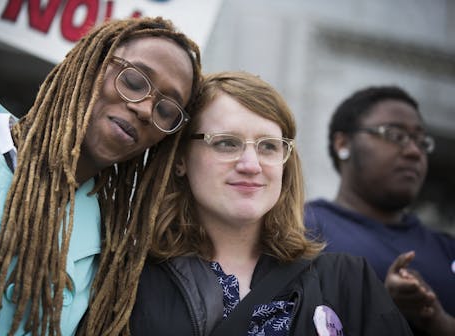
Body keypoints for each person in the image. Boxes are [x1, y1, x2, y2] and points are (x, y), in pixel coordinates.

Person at [0, 17, 202, 335]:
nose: (144, 109)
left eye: (166, 111)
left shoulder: (110, 243)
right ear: (91, 64)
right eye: (135, 82)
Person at [129, 72, 413, 335]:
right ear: (180, 159)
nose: (251, 165)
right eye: (227, 143)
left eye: (268, 146)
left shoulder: (349, 282)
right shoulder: (129, 276)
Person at [304, 86, 455, 335]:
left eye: (421, 141)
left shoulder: (447, 249)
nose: (414, 151)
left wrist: (433, 318)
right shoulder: (298, 230)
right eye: (394, 135)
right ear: (343, 143)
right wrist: (381, 306)